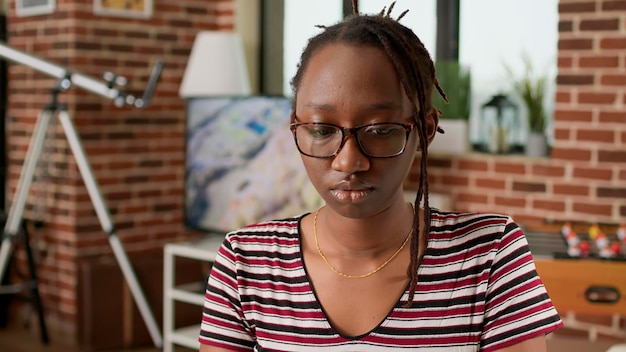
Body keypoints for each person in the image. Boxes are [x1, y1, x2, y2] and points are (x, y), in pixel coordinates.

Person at [198, 2, 563, 351]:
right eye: (323, 130)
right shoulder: (246, 262)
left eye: (380, 129)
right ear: (296, 127)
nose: (348, 162)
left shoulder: (489, 255)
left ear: (426, 129)